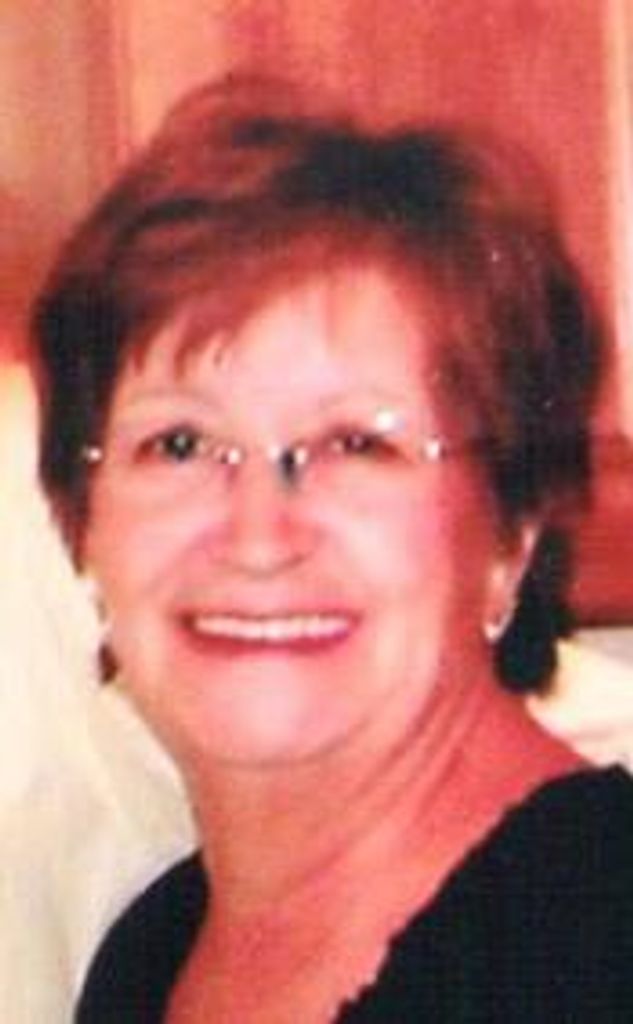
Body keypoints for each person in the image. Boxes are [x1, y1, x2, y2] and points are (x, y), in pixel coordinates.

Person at [30, 75, 633, 1022]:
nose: (257, 537)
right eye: (179, 444)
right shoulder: (148, 957)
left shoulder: (598, 942)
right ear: (84, 522)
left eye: (356, 444)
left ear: (509, 536)